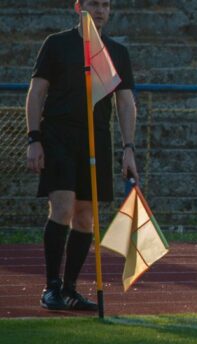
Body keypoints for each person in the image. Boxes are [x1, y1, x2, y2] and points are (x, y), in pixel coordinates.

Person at [25, 0, 139, 311]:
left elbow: (126, 103)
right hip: (58, 136)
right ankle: (51, 288)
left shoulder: (117, 52)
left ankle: (71, 289)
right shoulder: (57, 44)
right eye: (93, 3)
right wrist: (34, 138)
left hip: (98, 140)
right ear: (79, 7)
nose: (99, 10)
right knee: (62, 206)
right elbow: (36, 93)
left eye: (105, 4)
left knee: (86, 216)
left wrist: (128, 148)